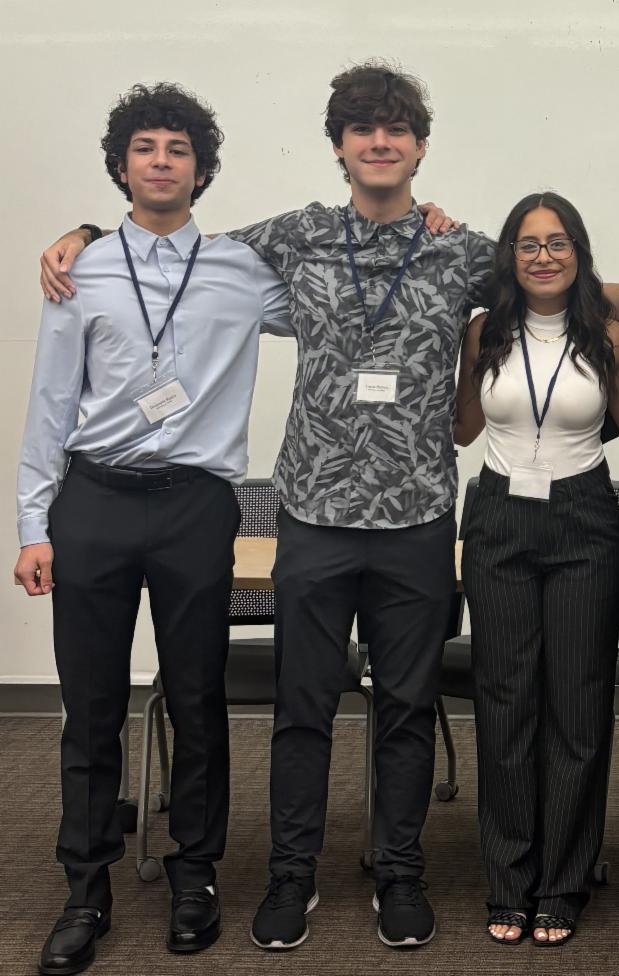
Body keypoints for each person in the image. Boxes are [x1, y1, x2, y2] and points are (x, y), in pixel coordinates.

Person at [38, 61, 480, 953]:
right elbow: (167, 247)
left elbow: (564, 284)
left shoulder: (462, 249)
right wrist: (83, 232)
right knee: (301, 709)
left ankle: (398, 872)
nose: (381, 142)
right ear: (339, 147)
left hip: (420, 515)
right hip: (312, 511)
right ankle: (291, 877)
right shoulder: (292, 238)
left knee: (404, 707)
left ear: (421, 146)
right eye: (363, 129)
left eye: (397, 129)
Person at [15, 83, 292, 975]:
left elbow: (337, 294)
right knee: (89, 707)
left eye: (178, 148)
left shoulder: (245, 272)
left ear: (202, 170)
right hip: (92, 501)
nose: (162, 160)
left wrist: (425, 221)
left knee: (198, 696)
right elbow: (52, 401)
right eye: (146, 147)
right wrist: (33, 522)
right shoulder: (80, 269)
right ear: (122, 166)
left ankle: (196, 874)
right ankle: (85, 885)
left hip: (195, 506)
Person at [453, 191, 619, 946]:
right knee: (503, 701)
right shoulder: (481, 333)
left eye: (557, 243)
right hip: (497, 516)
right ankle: (509, 877)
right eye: (528, 245)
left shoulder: (609, 336)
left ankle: (563, 881)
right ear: (509, 256)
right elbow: (462, 426)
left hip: (585, 518)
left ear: (579, 252)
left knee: (578, 702)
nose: (542, 257)